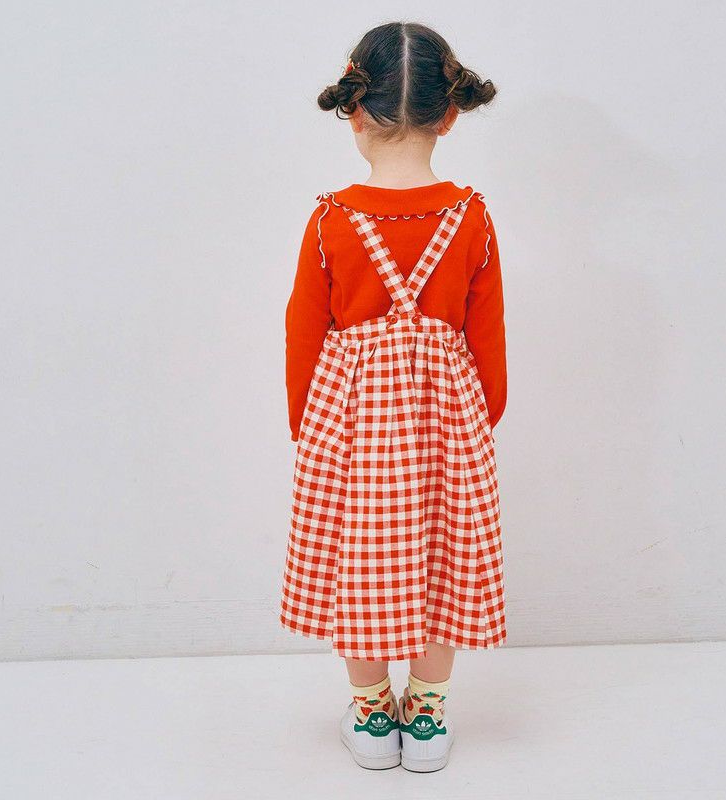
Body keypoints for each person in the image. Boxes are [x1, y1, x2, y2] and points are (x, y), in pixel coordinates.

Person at [280, 21, 508, 773]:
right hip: (448, 424)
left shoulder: (331, 218)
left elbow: (303, 331)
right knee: (443, 563)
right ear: (450, 114)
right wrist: (480, 420)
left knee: (361, 563)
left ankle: (374, 715)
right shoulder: (470, 214)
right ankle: (429, 717)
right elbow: (488, 333)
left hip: (349, 425)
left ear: (354, 109)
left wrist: (308, 427)